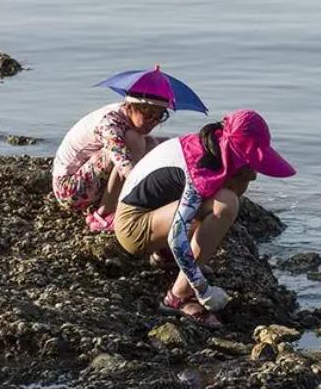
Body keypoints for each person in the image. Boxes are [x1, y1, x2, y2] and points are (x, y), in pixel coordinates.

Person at [114, 109, 295, 327]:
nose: (255, 173)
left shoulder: (211, 147)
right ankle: (178, 297)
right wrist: (202, 288)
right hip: (132, 228)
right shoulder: (199, 169)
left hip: (150, 214)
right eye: (250, 161)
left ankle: (165, 257)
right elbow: (177, 237)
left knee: (217, 199)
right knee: (225, 204)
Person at [52, 93, 171, 231]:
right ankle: (104, 214)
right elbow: (123, 162)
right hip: (69, 189)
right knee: (133, 141)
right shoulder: (109, 122)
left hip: (89, 182)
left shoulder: (125, 117)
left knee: (151, 143)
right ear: (130, 106)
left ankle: (115, 202)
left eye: (160, 117)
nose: (153, 122)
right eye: (148, 115)